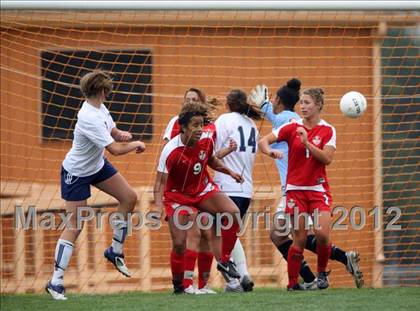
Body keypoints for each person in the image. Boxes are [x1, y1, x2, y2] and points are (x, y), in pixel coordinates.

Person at [251, 79, 363, 289]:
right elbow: (265, 140)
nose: (302, 106)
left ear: (318, 105)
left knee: (319, 234)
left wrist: (306, 143)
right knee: (295, 237)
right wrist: (270, 151)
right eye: (301, 102)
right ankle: (298, 282)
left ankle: (320, 274)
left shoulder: (326, 129)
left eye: (307, 102)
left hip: (317, 190)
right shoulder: (291, 124)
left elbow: (327, 159)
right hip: (294, 190)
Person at [46, 70, 146, 300]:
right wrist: (135, 143)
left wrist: (120, 133)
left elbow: (111, 130)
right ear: (102, 91)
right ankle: (56, 282)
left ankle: (115, 250)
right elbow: (116, 150)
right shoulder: (88, 116)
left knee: (129, 198)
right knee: (75, 225)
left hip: (97, 166)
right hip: (77, 172)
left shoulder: (99, 108)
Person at [154, 101, 244, 295]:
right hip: (177, 196)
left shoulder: (206, 140)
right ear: (183, 127)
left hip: (202, 190)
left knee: (233, 213)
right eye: (194, 125)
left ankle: (225, 261)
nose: (199, 129)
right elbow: (160, 183)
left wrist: (230, 172)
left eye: (201, 124)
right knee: (179, 243)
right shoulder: (170, 150)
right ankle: (180, 286)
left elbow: (210, 160)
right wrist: (157, 206)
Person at [213, 89, 262, 292]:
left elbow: (211, 152)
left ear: (228, 104)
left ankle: (233, 281)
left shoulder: (224, 120)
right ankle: (243, 275)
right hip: (246, 189)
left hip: (226, 185)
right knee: (231, 233)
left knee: (215, 234)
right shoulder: (252, 125)